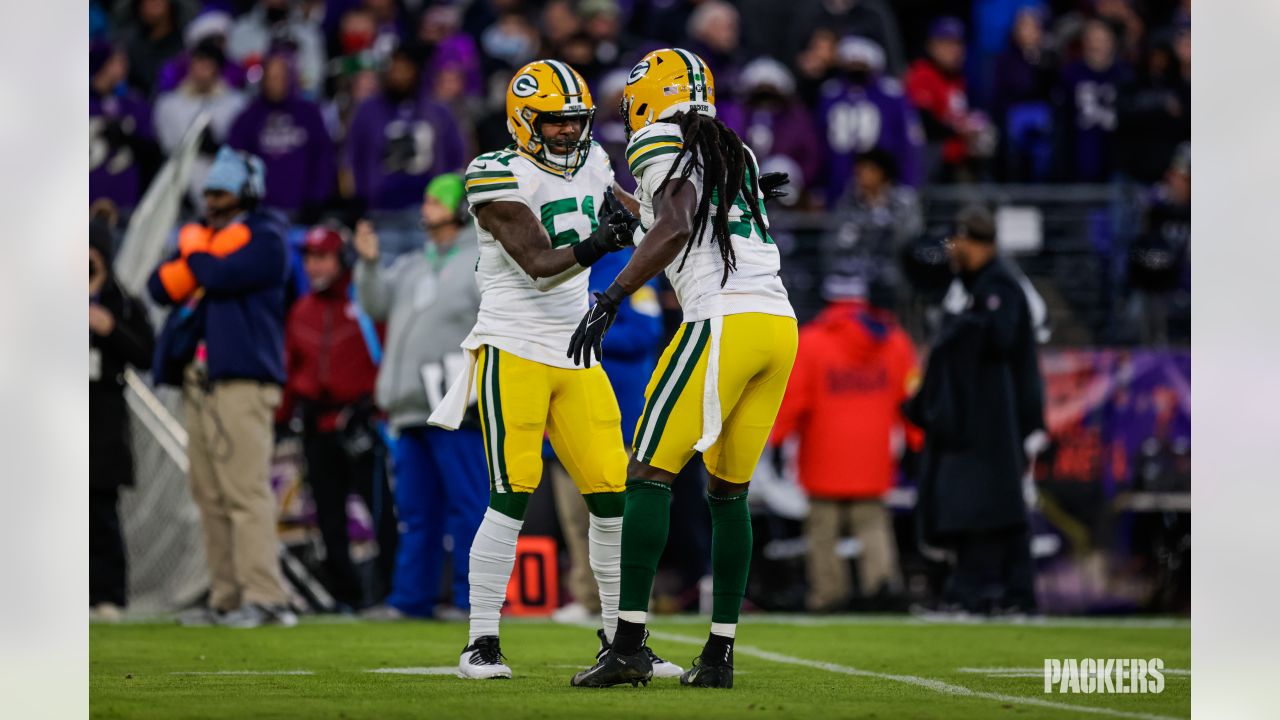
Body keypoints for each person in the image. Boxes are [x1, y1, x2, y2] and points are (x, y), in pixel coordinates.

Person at [424, 60, 678, 681]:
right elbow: (538, 261)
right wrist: (601, 244)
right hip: (512, 346)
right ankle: (481, 643)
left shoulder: (593, 161)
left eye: (576, 122)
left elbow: (645, 215)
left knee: (611, 496)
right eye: (555, 123)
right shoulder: (494, 171)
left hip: (575, 350)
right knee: (511, 495)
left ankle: (623, 641)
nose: (568, 133)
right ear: (523, 121)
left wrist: (720, 197)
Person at [569, 48, 797, 690]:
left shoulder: (659, 137)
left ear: (651, 95)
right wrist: (609, 192)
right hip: (777, 324)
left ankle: (629, 646)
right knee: (728, 493)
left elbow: (672, 222)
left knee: (646, 471)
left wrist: (609, 299)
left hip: (721, 319)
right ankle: (719, 656)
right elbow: (668, 213)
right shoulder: (734, 149)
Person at [147, 147, 295, 628]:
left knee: (246, 491)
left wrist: (193, 249)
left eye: (222, 190)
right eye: (208, 191)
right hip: (201, 382)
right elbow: (158, 287)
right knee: (209, 493)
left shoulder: (267, 237)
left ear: (247, 191)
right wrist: (197, 250)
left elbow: (216, 275)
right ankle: (227, 598)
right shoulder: (211, 240)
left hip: (243, 380)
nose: (211, 199)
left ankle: (266, 598)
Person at [352, 175, 488, 620]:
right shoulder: (412, 263)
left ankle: (476, 602)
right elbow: (374, 306)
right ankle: (412, 599)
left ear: (458, 207)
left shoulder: (480, 261)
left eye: (435, 201)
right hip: (410, 408)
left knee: (467, 507)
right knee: (416, 512)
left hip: (457, 405)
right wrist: (370, 264)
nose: (425, 208)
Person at [905, 205, 1045, 617]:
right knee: (1002, 509)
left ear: (980, 244)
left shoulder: (1000, 285)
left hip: (998, 419)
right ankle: (1016, 595)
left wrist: (961, 327)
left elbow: (1000, 340)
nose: (955, 249)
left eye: (961, 241)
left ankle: (974, 594)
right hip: (987, 418)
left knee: (984, 506)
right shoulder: (975, 287)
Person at [769, 276, 918, 612]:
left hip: (823, 454)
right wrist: (914, 446)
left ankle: (829, 595)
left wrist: (777, 442)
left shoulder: (811, 341)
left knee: (823, 530)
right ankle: (880, 587)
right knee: (873, 525)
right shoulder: (894, 341)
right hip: (874, 454)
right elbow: (911, 401)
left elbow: (794, 401)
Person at [279, 225, 397, 610]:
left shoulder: (366, 304)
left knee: (381, 515)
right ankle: (347, 598)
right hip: (317, 429)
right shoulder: (300, 311)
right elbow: (290, 369)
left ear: (341, 259)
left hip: (361, 425)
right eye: (308, 258)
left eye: (322, 257)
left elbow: (388, 355)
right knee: (328, 521)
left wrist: (377, 405)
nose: (313, 266)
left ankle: (387, 593)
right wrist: (281, 416)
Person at [549, 249, 663, 625]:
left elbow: (646, 331)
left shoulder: (635, 263)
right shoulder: (562, 262)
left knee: (622, 515)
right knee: (575, 516)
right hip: (570, 410)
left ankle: (632, 599)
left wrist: (589, 329)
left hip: (622, 414)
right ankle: (587, 595)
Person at [344, 47, 466, 262]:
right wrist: (357, 202)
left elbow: (457, 159)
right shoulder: (367, 111)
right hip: (381, 214)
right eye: (394, 67)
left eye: (405, 68)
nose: (399, 74)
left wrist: (447, 204)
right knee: (383, 286)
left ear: (417, 71)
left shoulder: (438, 112)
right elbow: (351, 158)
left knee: (427, 287)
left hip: (428, 215)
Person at [90, 219, 155, 621]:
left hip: (104, 420)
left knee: (101, 513)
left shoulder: (124, 303)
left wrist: (111, 328)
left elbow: (146, 353)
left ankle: (109, 596)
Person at [227, 50, 334, 222]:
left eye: (279, 77)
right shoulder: (248, 117)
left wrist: (317, 198)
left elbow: (322, 158)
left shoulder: (309, 113)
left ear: (289, 77)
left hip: (303, 209)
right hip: (260, 212)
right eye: (269, 77)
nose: (273, 83)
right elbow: (235, 161)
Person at [816, 36, 925, 205]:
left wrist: (908, 183)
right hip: (838, 182)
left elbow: (908, 142)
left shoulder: (891, 94)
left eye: (861, 65)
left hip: (885, 185)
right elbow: (820, 143)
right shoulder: (830, 93)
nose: (855, 69)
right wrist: (819, 185)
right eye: (851, 64)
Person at [152, 41, 248, 210]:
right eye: (198, 64)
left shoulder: (236, 104)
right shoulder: (169, 104)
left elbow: (241, 147)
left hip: (224, 184)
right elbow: (166, 148)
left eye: (208, 66)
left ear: (218, 69)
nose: (202, 72)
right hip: (181, 189)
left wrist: (217, 146)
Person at [904, 17, 993, 182]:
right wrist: (961, 131)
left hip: (957, 159)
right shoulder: (922, 73)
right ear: (932, 46)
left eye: (958, 44)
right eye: (947, 43)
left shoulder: (957, 79)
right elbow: (924, 122)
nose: (954, 50)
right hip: (931, 161)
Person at [1053, 19, 1127, 182]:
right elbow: (1062, 119)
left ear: (1112, 43)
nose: (1096, 46)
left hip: (1116, 156)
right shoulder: (1070, 74)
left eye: (1102, 40)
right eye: (1092, 40)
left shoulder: (1125, 76)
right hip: (1078, 156)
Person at [91, 42, 160, 215]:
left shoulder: (135, 105)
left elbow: (153, 153)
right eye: (117, 61)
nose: (124, 66)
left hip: (124, 201)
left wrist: (128, 138)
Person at [227, 0, 327, 97]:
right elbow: (231, 76)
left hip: (296, 103)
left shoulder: (307, 34)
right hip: (250, 102)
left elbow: (313, 80)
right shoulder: (242, 30)